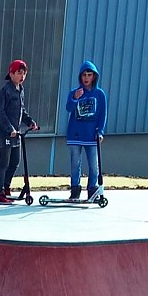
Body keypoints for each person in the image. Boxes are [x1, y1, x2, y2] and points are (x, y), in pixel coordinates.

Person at [0, 59, 39, 203]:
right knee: (4, 162)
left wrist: (30, 122)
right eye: (19, 73)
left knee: (15, 162)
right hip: (5, 132)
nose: (22, 76)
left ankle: (6, 186)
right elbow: (0, 112)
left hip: (16, 133)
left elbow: (21, 110)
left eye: (24, 73)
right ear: (11, 74)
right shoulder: (5, 90)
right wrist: (9, 128)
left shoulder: (20, 90)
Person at [65, 60, 107, 201]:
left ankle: (92, 190)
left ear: (94, 76)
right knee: (75, 163)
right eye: (84, 75)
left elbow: (102, 115)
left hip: (91, 135)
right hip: (75, 134)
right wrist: (75, 98)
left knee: (94, 165)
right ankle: (75, 190)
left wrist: (100, 132)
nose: (86, 78)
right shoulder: (74, 92)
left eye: (89, 75)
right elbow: (69, 108)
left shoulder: (100, 95)